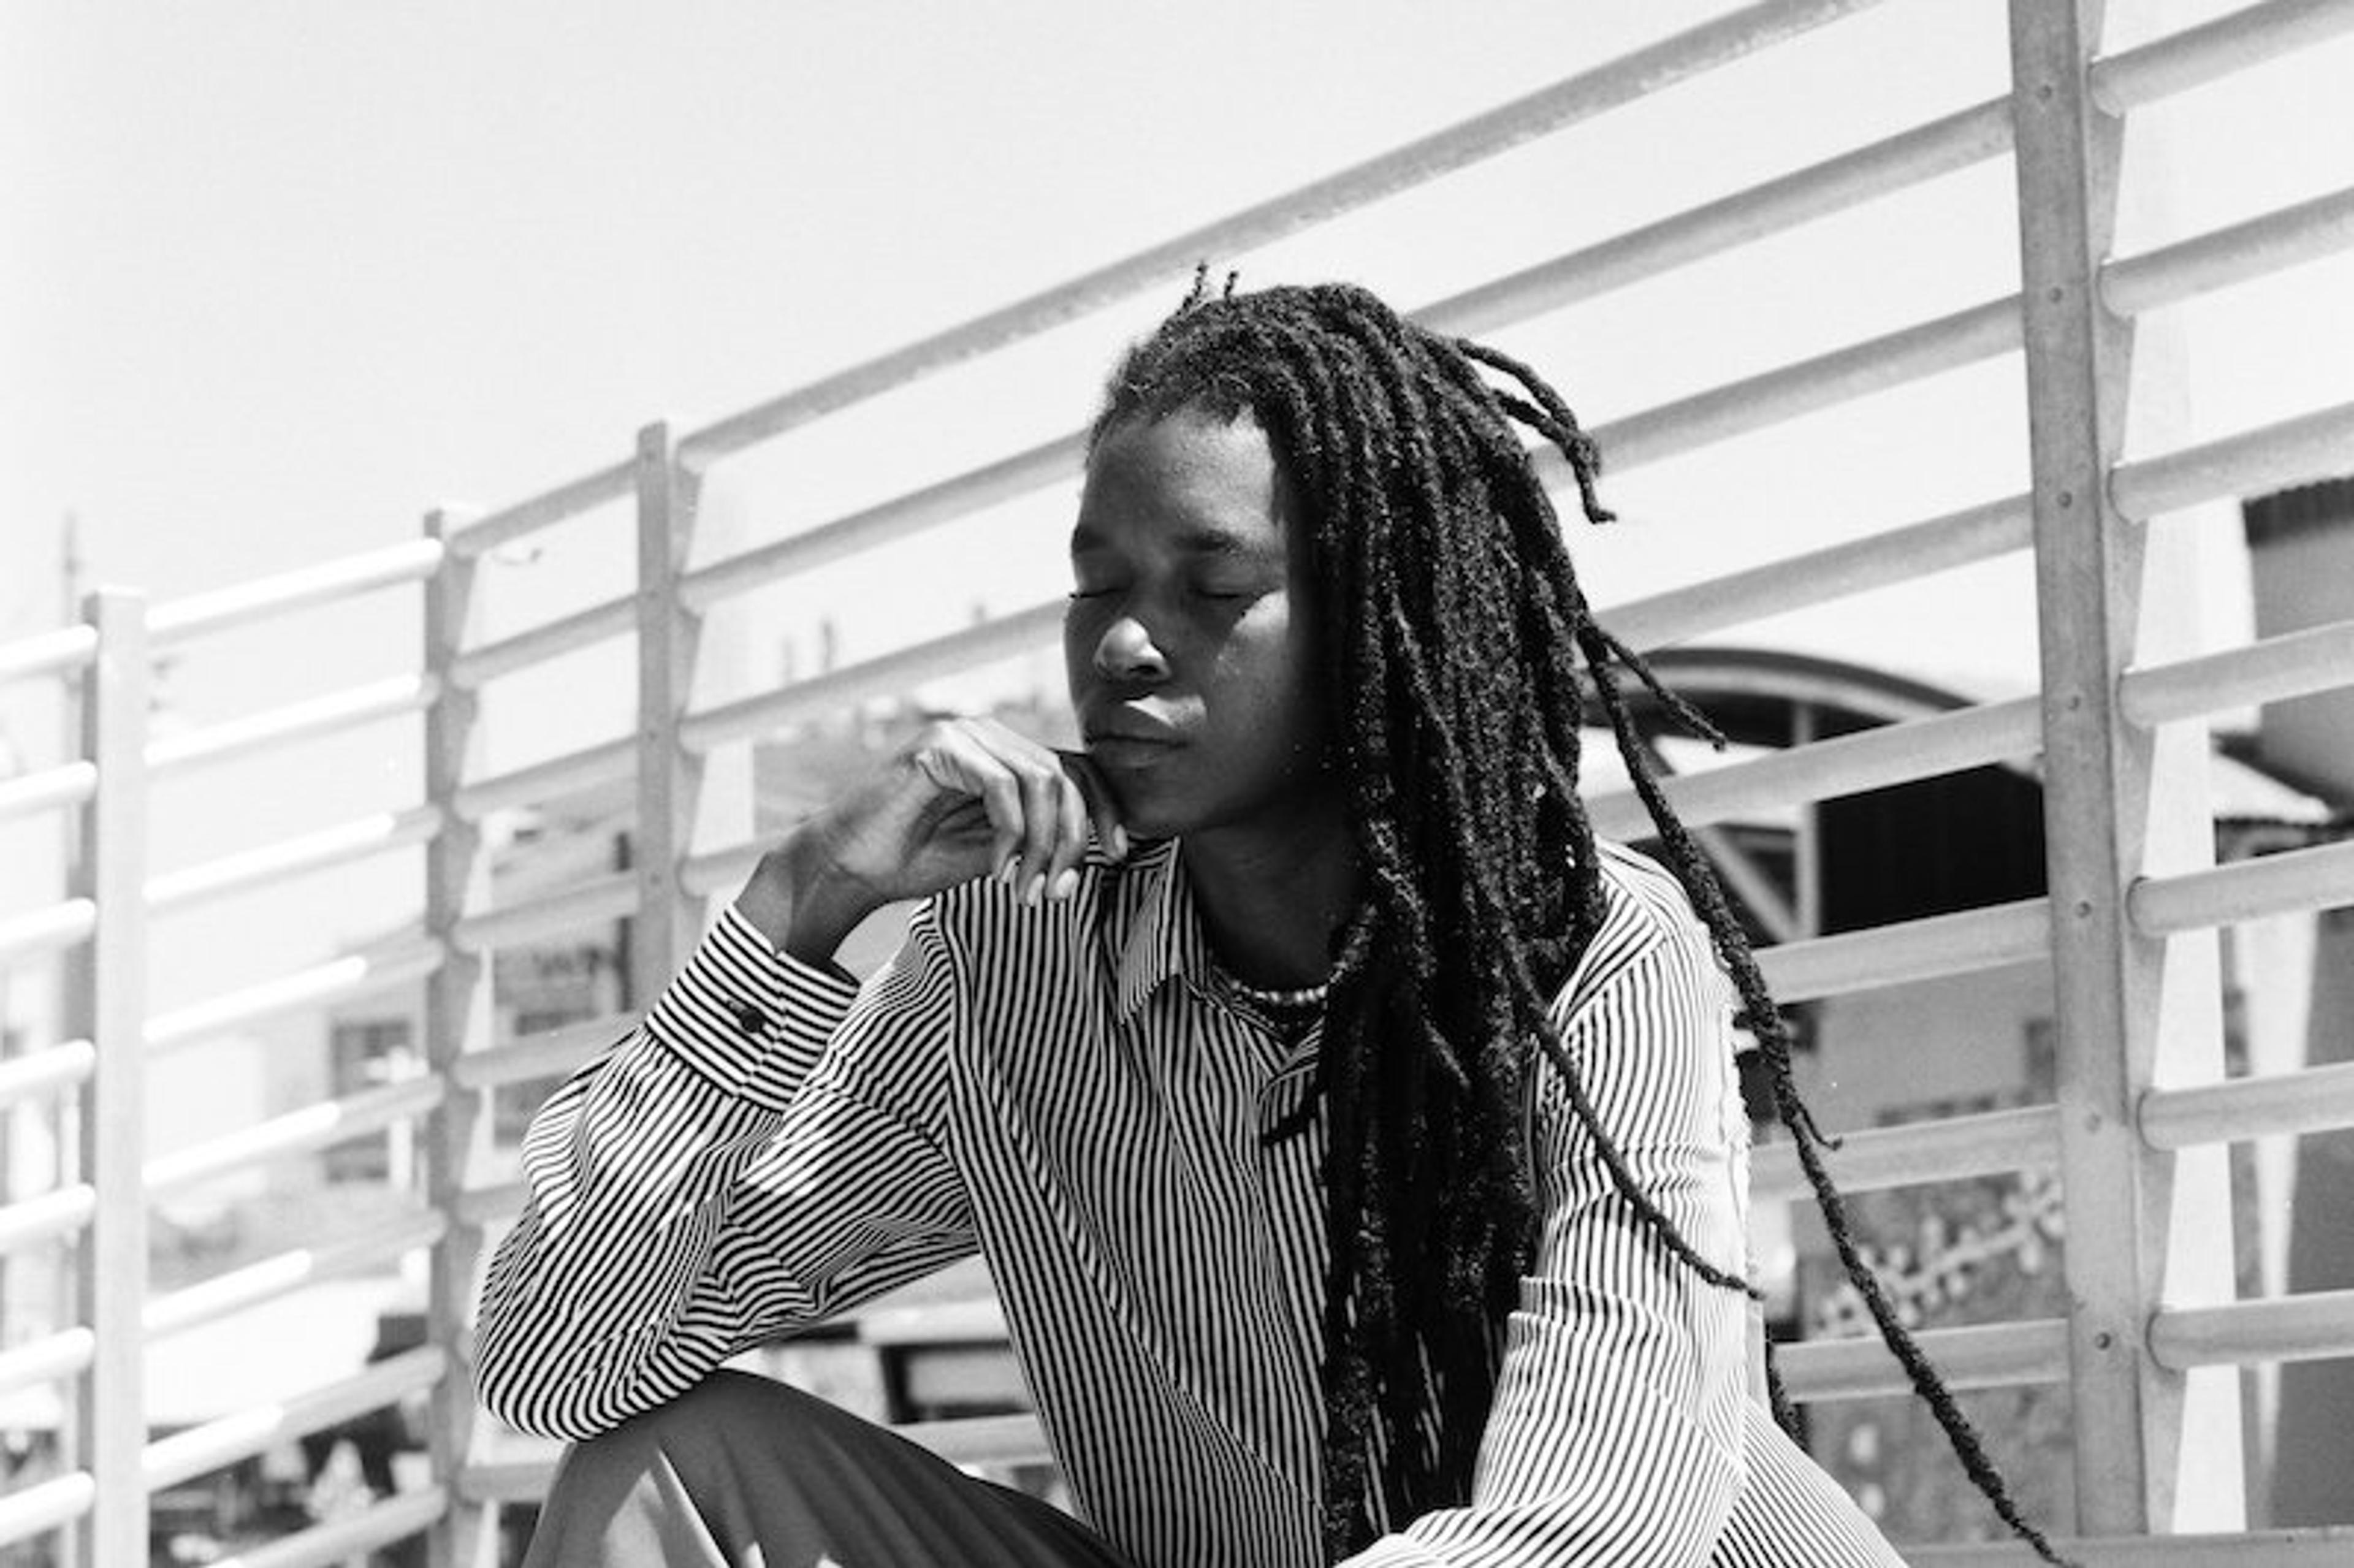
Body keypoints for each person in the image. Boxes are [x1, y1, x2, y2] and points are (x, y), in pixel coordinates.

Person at [476, 278, 2068, 1567]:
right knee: (675, 1469)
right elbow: (562, 1364)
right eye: (1100, 582)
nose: (1123, 647)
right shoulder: (1010, 970)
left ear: (1376, 621)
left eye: (1210, 587)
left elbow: (1597, 1523)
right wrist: (796, 909)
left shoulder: (1594, 953)